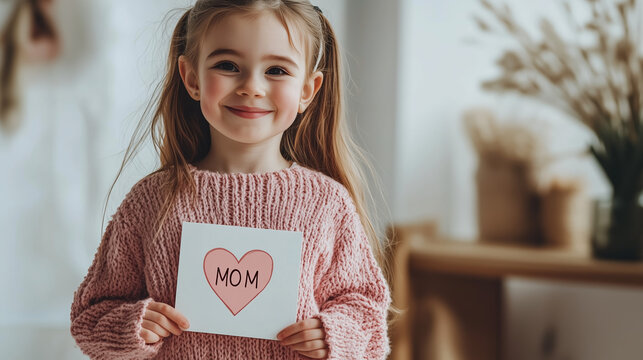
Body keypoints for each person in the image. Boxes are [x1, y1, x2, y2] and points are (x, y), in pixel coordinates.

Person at [70, 0, 391, 359]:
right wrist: (132, 325)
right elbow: (90, 314)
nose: (251, 86)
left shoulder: (327, 204)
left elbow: (368, 312)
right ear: (192, 78)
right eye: (227, 65)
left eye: (277, 70)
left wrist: (335, 334)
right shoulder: (151, 201)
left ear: (307, 90)